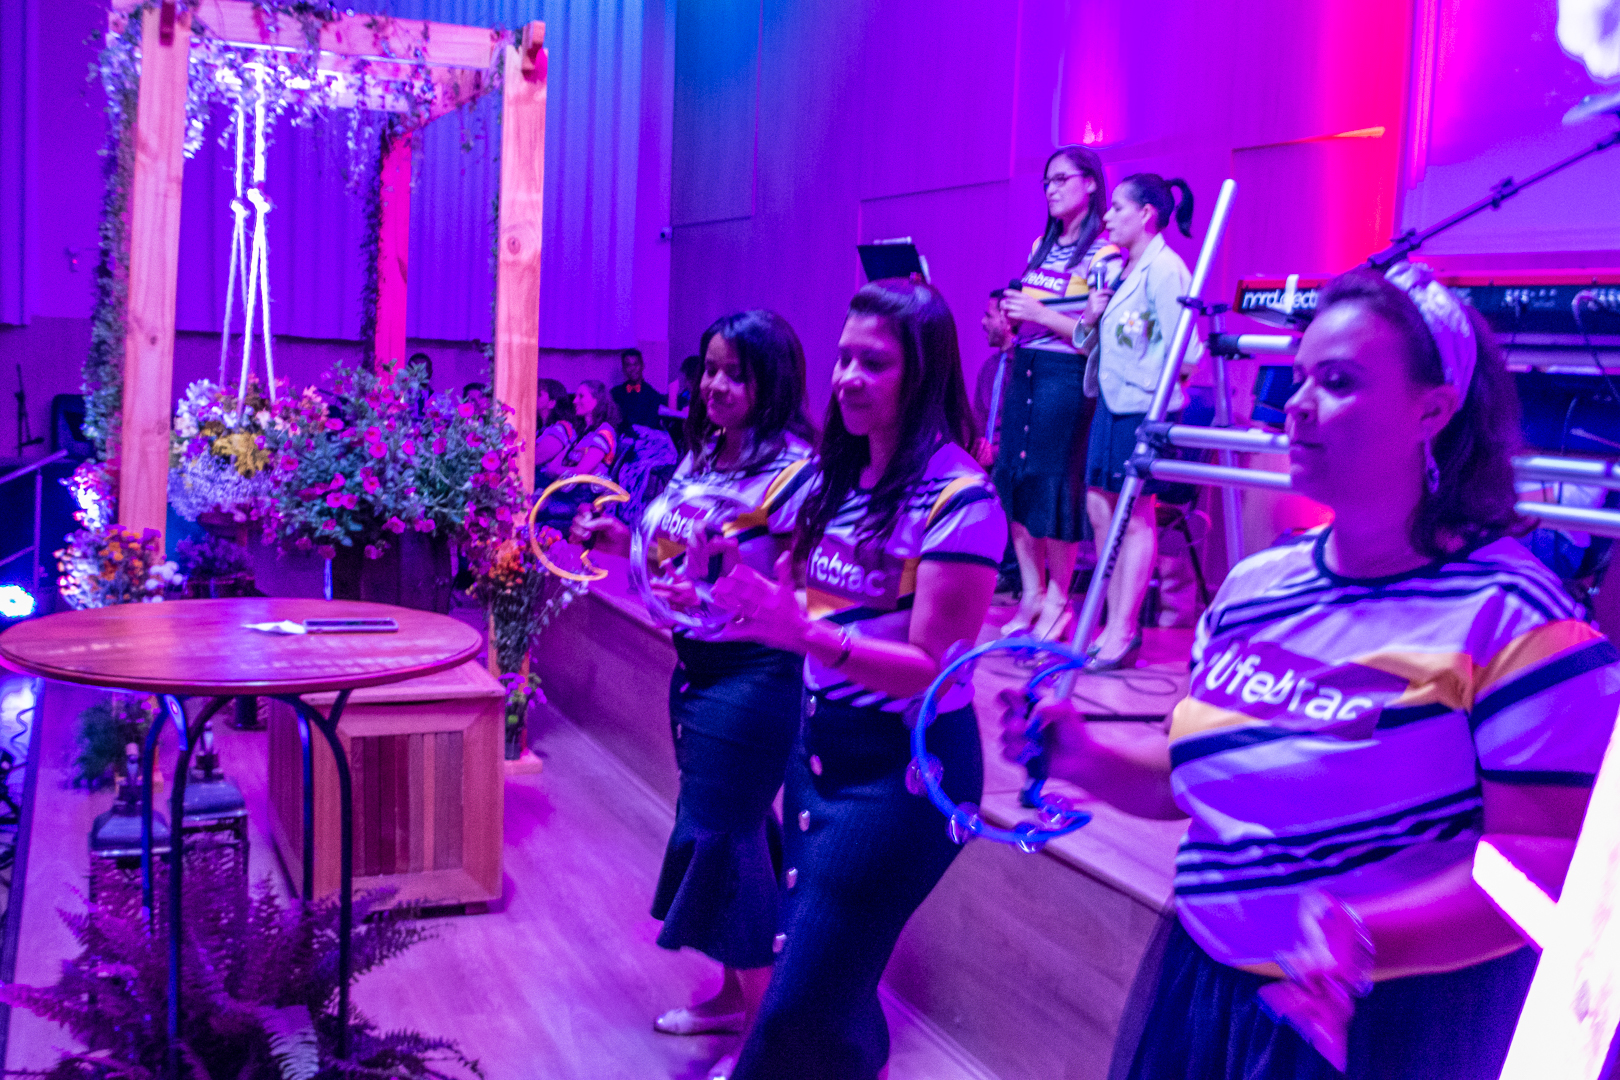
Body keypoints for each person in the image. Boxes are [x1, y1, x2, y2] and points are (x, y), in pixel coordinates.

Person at [1006, 265, 1619, 1080]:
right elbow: (1187, 778)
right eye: (1298, 377)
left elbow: (1545, 865)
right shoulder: (1258, 585)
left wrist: (1367, 938)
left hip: (1386, 1024)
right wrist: (1083, 756)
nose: (1295, 405)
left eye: (1337, 382)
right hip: (1206, 985)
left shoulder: (1519, 620)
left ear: (1432, 411)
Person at [712, 278, 1007, 1080]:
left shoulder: (960, 499)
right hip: (821, 750)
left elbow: (931, 668)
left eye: (873, 363)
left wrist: (808, 635)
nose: (846, 378)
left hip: (903, 776)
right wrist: (722, 584)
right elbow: (798, 595)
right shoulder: (836, 479)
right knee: (825, 972)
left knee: (798, 1000)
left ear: (922, 374)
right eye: (843, 358)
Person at [578, 310, 818, 1050]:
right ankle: (734, 998)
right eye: (709, 368)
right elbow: (682, 558)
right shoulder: (707, 452)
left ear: (771, 381)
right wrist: (626, 544)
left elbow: (800, 595)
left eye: (734, 374)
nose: (714, 385)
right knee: (735, 832)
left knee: (722, 837)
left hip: (755, 675)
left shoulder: (797, 474)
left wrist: (721, 589)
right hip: (698, 668)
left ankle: (769, 1044)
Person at [1077, 173, 1201, 669]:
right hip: (1111, 401)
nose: (1106, 217)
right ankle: (1111, 623)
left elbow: (1186, 350)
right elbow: (1104, 343)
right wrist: (1090, 316)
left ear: (1146, 214)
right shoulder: (1122, 270)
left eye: (1116, 208)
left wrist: (1154, 391)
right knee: (1100, 509)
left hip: (1143, 408)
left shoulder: (1166, 269)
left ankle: (1124, 631)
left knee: (1133, 514)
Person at [995, 145, 1118, 640]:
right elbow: (1032, 316)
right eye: (1046, 181)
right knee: (1017, 478)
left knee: (1053, 485)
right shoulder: (1039, 247)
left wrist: (1041, 315)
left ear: (1090, 183)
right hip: (1026, 366)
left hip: (1067, 377)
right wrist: (1012, 321)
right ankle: (1031, 592)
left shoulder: (1104, 253)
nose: (1051, 189)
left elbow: (1096, 336)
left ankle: (1058, 600)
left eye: (1061, 179)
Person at [565, 379, 620, 477]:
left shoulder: (605, 432)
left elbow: (580, 471)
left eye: (581, 396)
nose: (574, 401)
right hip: (568, 483)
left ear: (597, 400)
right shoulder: (581, 431)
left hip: (587, 486)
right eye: (575, 396)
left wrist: (557, 471)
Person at [534, 377, 578, 478]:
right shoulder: (542, 428)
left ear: (551, 403)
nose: (532, 397)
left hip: (549, 483)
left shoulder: (562, 428)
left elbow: (534, 459)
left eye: (539, 394)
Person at [612, 347, 665, 429]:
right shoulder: (615, 393)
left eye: (636, 364)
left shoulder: (653, 395)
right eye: (628, 365)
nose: (632, 369)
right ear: (623, 368)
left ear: (642, 366)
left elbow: (652, 423)